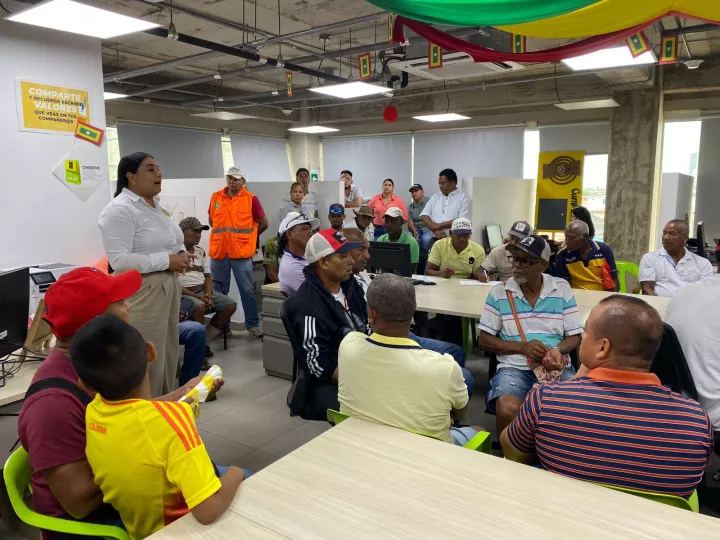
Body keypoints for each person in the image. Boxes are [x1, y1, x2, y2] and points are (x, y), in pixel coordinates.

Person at [17, 268, 223, 535]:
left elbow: (127, 415)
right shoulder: (52, 406)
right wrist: (154, 452)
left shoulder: (95, 367)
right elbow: (79, 504)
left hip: (126, 496)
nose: (129, 306)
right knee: (235, 495)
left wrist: (183, 394)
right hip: (96, 524)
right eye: (121, 302)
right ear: (98, 324)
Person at [501, 295, 713, 498]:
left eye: (585, 331)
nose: (582, 337)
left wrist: (577, 380)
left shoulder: (546, 400)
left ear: (603, 347)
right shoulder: (696, 422)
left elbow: (513, 454)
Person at [71, 315, 246, 540]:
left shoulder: (94, 411)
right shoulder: (172, 420)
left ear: (85, 385)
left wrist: (184, 395)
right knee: (249, 480)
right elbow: (208, 510)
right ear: (150, 352)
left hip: (138, 530)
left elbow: (138, 418)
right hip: (180, 530)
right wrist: (237, 472)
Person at [339, 274, 482, 445]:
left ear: (371, 312)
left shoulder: (348, 345)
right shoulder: (446, 367)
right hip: (428, 452)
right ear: (413, 310)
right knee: (479, 430)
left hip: (361, 444)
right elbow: (462, 411)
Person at [98, 152, 192, 397]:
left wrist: (181, 254)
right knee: (148, 359)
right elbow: (119, 261)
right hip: (143, 291)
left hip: (168, 286)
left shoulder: (157, 206)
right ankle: (147, 411)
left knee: (168, 355)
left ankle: (166, 409)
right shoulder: (120, 210)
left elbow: (172, 240)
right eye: (150, 169)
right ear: (131, 177)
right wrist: (167, 260)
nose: (159, 173)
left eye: (158, 168)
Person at [343, 228, 475, 396]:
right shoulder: (344, 285)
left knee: (456, 351)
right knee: (466, 379)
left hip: (397, 333)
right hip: (384, 338)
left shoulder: (361, 275)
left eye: (367, 249)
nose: (368, 256)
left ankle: (443, 394)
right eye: (361, 249)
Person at [479, 235, 582, 434]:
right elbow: (484, 340)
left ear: (543, 265)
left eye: (525, 260)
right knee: (507, 409)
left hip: (554, 366)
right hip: (513, 367)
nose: (517, 265)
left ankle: (551, 450)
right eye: (515, 258)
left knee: (573, 409)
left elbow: (575, 336)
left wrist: (556, 350)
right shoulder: (500, 293)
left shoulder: (561, 289)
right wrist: (522, 347)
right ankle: (512, 452)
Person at [284, 229, 366, 420]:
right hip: (329, 382)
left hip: (360, 362)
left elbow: (367, 326)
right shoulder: (308, 304)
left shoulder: (351, 286)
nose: (351, 261)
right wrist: (363, 379)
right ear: (323, 262)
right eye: (343, 256)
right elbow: (318, 364)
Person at [208, 166, 268, 339]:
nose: (232, 182)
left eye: (236, 179)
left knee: (247, 290)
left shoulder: (251, 199)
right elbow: (212, 221)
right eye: (229, 178)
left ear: (243, 181)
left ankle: (252, 325)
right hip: (219, 252)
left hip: (241, 254)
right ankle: (223, 327)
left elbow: (264, 223)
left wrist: (250, 240)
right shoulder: (216, 197)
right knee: (219, 292)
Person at [177, 217, 237, 344]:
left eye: (200, 232)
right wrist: (198, 297)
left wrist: (208, 294)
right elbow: (174, 284)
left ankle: (205, 338)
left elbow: (208, 277)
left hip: (201, 292)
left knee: (230, 305)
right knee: (200, 307)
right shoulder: (174, 253)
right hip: (183, 294)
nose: (198, 235)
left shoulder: (200, 251)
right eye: (195, 231)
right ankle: (202, 347)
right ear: (181, 231)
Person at [639, 219, 713, 297]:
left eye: (672, 234)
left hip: (689, 304)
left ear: (685, 238)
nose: (666, 237)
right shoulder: (650, 258)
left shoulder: (703, 263)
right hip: (659, 303)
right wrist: (661, 304)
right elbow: (647, 290)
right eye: (664, 233)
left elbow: (705, 292)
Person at [553, 220, 619, 291]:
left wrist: (613, 295)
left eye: (572, 238)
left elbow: (614, 279)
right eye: (566, 237)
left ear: (585, 236)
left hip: (601, 293)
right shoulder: (562, 255)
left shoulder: (604, 249)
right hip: (576, 294)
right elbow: (563, 284)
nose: (567, 241)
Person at [420, 169, 471, 245]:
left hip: (455, 240)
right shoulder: (435, 197)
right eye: (439, 183)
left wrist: (438, 225)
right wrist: (436, 231)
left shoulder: (463, 198)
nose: (440, 186)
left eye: (443, 183)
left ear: (453, 182)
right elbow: (424, 216)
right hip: (435, 238)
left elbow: (462, 220)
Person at [278, 212, 320, 297]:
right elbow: (316, 296)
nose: (311, 233)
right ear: (290, 234)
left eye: (310, 229)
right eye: (305, 229)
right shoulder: (291, 266)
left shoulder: (304, 258)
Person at [376, 207, 420, 272]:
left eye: (393, 221)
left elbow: (411, 270)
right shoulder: (380, 240)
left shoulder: (411, 242)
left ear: (401, 222)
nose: (389, 224)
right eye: (387, 221)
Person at [408, 183, 431, 249]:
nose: (414, 193)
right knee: (408, 237)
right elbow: (410, 222)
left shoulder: (430, 201)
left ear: (422, 192)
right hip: (416, 229)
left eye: (416, 191)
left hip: (428, 229)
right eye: (412, 192)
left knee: (425, 239)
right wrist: (414, 231)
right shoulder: (411, 206)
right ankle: (413, 256)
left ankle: (426, 256)